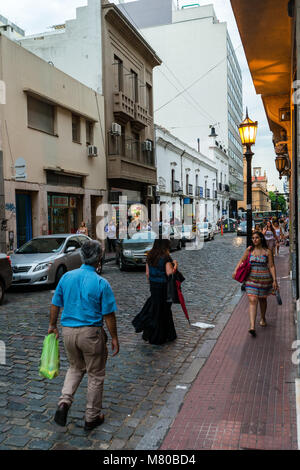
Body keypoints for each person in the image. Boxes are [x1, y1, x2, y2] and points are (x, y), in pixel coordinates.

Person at [48, 240, 119, 431]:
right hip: (91, 334)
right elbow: (108, 315)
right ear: (99, 259)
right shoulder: (101, 283)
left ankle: (64, 403)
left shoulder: (67, 277)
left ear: (81, 256)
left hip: (68, 332)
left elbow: (56, 303)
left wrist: (52, 325)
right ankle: (91, 417)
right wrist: (114, 337)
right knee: (95, 375)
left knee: (75, 368)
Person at [232, 231, 278, 337]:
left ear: (261, 239)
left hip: (264, 280)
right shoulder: (249, 250)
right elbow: (242, 261)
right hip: (251, 279)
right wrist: (235, 270)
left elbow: (271, 266)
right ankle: (252, 326)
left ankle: (262, 318)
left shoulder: (267, 251)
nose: (254, 240)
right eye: (253, 238)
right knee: (252, 300)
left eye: (257, 238)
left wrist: (275, 280)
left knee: (262, 299)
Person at [132, 239, 178, 345]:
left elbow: (147, 273)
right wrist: (175, 265)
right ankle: (163, 335)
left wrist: (151, 284)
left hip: (154, 286)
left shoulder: (150, 256)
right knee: (164, 310)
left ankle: (166, 334)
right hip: (164, 287)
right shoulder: (166, 257)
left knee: (158, 310)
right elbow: (169, 273)